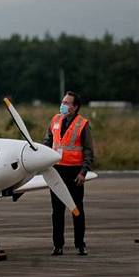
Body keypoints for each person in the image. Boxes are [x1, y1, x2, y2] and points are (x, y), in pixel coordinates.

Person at [43, 91, 94, 256]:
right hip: (56, 170)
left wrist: (83, 172)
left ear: (75, 106)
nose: (63, 105)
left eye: (67, 103)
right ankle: (58, 245)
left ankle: (80, 244)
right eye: (63, 102)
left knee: (76, 209)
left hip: (74, 171)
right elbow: (47, 141)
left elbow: (88, 151)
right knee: (57, 210)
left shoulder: (82, 124)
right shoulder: (55, 120)